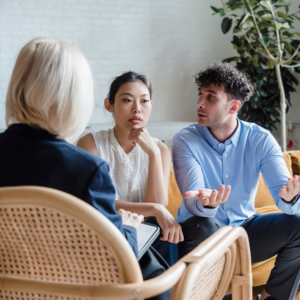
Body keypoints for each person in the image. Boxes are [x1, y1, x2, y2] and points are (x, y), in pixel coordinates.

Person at [0, 38, 171, 300]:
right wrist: (127, 228)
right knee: (159, 276)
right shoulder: (86, 170)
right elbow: (115, 261)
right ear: (74, 98)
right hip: (72, 288)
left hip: (11, 288)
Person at [172, 63, 300, 300]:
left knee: (299, 223)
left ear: (234, 106)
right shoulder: (185, 140)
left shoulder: (260, 139)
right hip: (199, 234)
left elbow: (284, 199)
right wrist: (208, 204)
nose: (200, 103)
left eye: (210, 97)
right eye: (200, 95)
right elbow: (193, 200)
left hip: (244, 231)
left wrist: (290, 197)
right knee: (203, 223)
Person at [77, 71, 183, 266]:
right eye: (127, 100)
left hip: (148, 231)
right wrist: (154, 209)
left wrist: (153, 154)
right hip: (106, 229)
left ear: (150, 106)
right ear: (109, 105)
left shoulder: (160, 150)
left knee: (166, 236)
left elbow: (157, 205)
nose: (137, 109)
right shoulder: (90, 144)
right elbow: (93, 203)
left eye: (144, 101)